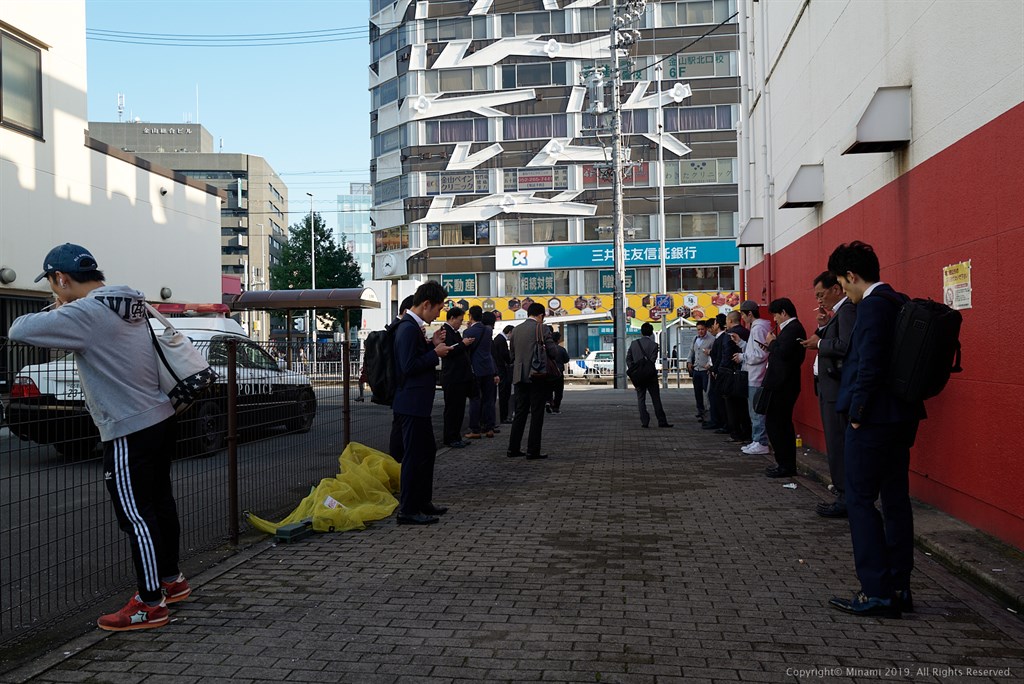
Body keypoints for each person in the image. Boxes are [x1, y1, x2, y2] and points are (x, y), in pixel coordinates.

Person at [9, 243, 190, 631]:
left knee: (135, 516)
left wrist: (60, 308)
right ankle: (171, 581)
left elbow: (18, 329)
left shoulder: (86, 312)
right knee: (159, 503)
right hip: (159, 415)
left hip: (127, 426)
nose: (54, 292)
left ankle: (150, 603)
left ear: (61, 279)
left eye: (53, 285)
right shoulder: (128, 303)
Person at [827, 241, 925, 618]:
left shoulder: (870, 307)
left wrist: (857, 413)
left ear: (851, 276)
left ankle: (875, 591)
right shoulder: (898, 301)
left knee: (860, 500)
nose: (845, 292)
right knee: (897, 500)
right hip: (901, 418)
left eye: (842, 283)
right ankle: (899, 586)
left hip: (871, 421)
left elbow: (869, 364)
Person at [392, 280, 453, 525]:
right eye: (438, 307)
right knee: (414, 456)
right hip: (411, 402)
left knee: (426, 452)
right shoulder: (407, 328)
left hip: (417, 403)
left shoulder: (412, 327)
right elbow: (407, 366)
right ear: (426, 304)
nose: (439, 313)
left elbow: (414, 356)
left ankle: (422, 501)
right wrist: (434, 354)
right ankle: (408, 509)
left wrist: (431, 344)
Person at [802, 271, 856, 519]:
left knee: (838, 443)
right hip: (829, 388)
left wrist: (820, 344)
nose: (819, 300)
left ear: (837, 288)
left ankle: (846, 495)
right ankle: (843, 492)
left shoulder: (847, 311)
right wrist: (824, 327)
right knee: (836, 441)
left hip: (837, 390)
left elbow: (845, 345)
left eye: (821, 295)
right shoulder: (837, 314)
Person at [761, 298, 807, 478]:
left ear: (784, 312)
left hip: (783, 385)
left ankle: (785, 465)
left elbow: (783, 353)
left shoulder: (793, 328)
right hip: (782, 384)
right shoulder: (790, 329)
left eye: (775, 314)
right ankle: (783, 463)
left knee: (778, 425)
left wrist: (772, 343)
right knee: (777, 424)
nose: (774, 319)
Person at [507, 303, 559, 459]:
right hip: (537, 376)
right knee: (537, 413)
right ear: (541, 315)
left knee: (520, 413)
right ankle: (532, 450)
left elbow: (512, 355)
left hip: (519, 376)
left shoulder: (515, 330)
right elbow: (554, 352)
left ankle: (513, 449)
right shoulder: (542, 329)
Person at [732, 301, 771, 455]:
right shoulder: (757, 328)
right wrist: (741, 343)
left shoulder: (758, 328)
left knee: (756, 411)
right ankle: (757, 440)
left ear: (750, 314)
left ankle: (761, 441)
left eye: (743, 314)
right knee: (754, 411)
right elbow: (756, 350)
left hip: (756, 375)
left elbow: (761, 353)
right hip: (753, 375)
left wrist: (743, 356)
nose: (742, 317)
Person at [439, 306, 476, 447]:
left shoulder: (454, 332)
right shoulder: (445, 331)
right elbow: (448, 350)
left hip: (460, 377)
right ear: (452, 318)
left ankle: (456, 436)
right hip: (452, 377)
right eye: (459, 320)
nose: (461, 323)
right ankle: (450, 438)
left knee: (459, 409)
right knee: (452, 410)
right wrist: (463, 344)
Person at [627, 323, 672, 428]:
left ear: (641, 332)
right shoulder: (654, 345)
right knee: (656, 398)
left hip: (638, 376)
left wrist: (634, 368)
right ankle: (661, 421)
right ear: (651, 332)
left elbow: (628, 358)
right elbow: (652, 361)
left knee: (641, 398)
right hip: (650, 376)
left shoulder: (634, 344)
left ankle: (644, 422)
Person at [388, 295, 415, 462]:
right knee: (399, 427)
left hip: (398, 384)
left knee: (398, 425)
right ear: (406, 311)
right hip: (401, 385)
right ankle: (397, 461)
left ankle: (397, 460)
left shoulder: (397, 326)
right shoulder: (403, 328)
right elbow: (407, 363)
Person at [465, 307, 499, 438]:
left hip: (476, 369)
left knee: (475, 399)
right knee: (489, 399)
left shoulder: (469, 331)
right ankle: (489, 428)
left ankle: (475, 429)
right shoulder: (488, 330)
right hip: (489, 368)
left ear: (470, 316)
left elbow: (468, 350)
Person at [722, 310, 751, 443]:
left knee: (732, 405)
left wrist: (722, 369)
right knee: (744, 405)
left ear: (730, 321)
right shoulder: (747, 332)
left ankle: (736, 433)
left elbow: (727, 354)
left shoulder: (730, 334)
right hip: (747, 372)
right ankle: (746, 432)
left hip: (732, 373)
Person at [702, 314, 729, 432]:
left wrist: (714, 369)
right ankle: (716, 420)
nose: (712, 326)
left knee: (717, 398)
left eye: (714, 323)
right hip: (715, 370)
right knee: (713, 397)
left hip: (718, 372)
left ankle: (720, 422)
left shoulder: (722, 338)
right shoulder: (720, 338)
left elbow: (720, 356)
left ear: (717, 324)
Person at [686, 321, 713, 421]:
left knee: (708, 392)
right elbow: (691, 351)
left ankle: (709, 411)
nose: (700, 331)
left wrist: (710, 365)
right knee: (697, 392)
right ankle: (700, 411)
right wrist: (689, 361)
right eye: (698, 330)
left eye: (702, 329)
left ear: (706, 328)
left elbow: (714, 354)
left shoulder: (712, 339)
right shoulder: (695, 339)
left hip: (705, 370)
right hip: (696, 369)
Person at [493, 324, 515, 424]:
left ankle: (503, 416)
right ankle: (503, 416)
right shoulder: (501, 340)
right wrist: (510, 360)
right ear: (509, 332)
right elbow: (505, 354)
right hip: (502, 369)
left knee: (504, 393)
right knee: (504, 393)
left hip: (500, 368)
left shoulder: (498, 338)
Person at [546, 330, 570, 414]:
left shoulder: (546, 349)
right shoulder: (561, 349)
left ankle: (548, 402)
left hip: (548, 373)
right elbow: (566, 359)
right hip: (558, 373)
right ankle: (556, 408)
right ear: (558, 339)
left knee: (548, 389)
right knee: (558, 392)